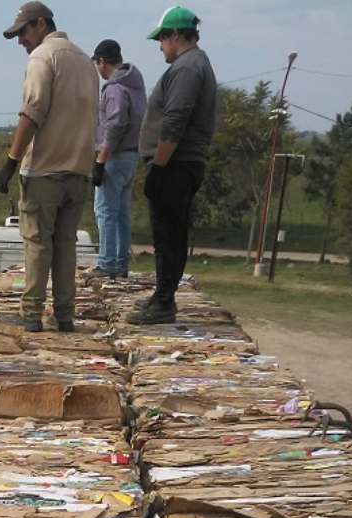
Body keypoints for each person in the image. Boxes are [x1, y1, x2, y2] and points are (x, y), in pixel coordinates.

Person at [0, 1, 98, 333]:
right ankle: (64, 314)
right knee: (65, 243)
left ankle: (31, 314)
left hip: (46, 171)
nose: (20, 41)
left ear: (41, 24)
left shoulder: (42, 57)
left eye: (23, 32)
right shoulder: (85, 61)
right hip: (79, 171)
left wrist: (12, 160)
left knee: (38, 243)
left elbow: (32, 112)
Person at [128, 6, 216, 325]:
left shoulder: (187, 68)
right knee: (171, 234)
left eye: (162, 40)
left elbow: (175, 121)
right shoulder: (192, 64)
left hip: (175, 163)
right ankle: (162, 296)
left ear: (175, 35)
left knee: (167, 236)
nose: (160, 46)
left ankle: (164, 302)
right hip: (179, 163)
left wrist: (159, 167)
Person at [84, 39, 147, 282]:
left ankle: (107, 264)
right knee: (122, 212)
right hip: (132, 154)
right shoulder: (135, 84)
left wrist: (100, 161)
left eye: (97, 64)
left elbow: (115, 124)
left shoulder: (114, 88)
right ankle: (121, 263)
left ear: (102, 62)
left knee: (105, 211)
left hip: (115, 155)